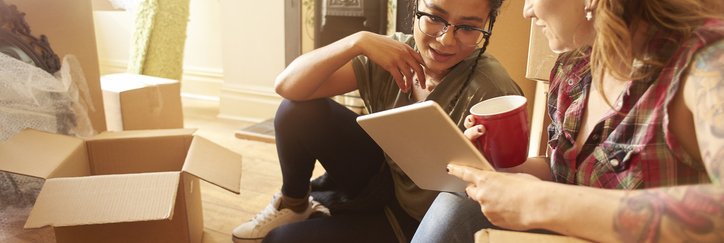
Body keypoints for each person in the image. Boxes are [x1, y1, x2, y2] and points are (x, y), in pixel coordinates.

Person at [413, 0, 724, 242]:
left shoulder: (706, 63)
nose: (527, 11)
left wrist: (541, 202)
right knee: (457, 202)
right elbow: (564, 174)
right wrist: (501, 174)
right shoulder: (573, 68)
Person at [230, 0, 524, 242]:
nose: (446, 39)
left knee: (278, 240)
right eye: (435, 17)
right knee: (297, 110)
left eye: (468, 28)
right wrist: (357, 42)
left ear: (486, 26)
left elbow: (501, 196)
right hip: (380, 179)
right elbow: (288, 86)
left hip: (415, 219)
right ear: (416, 7)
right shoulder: (393, 54)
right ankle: (294, 203)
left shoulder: (492, 90)